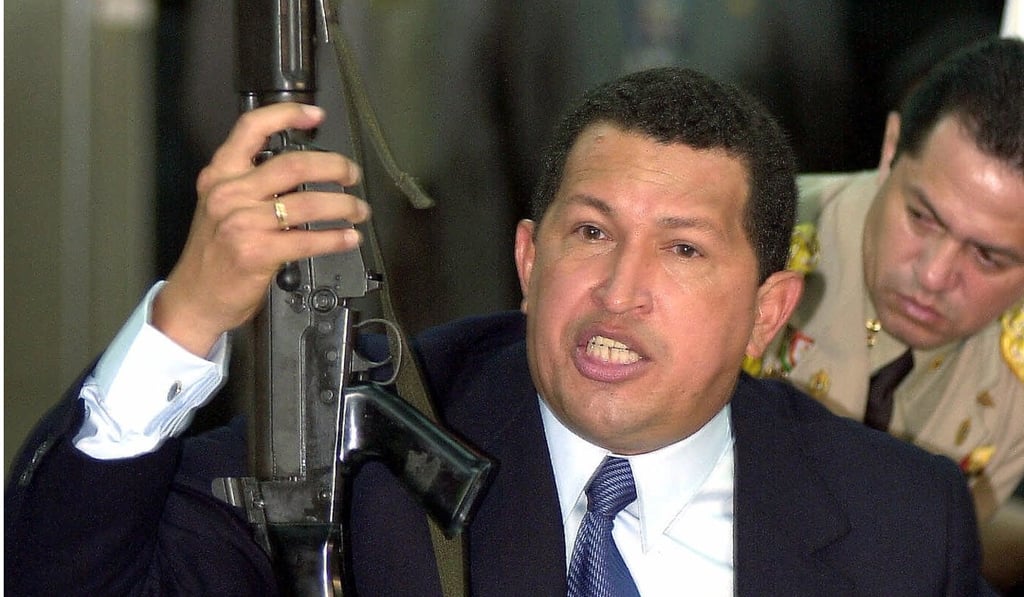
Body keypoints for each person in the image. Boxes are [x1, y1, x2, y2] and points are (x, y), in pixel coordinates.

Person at [6, 67, 993, 595]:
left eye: (683, 251)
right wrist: (186, 318)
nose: (618, 289)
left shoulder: (898, 523)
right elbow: (65, 578)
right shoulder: (368, 463)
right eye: (590, 232)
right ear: (528, 260)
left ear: (767, 311)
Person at [754, 37, 1024, 590]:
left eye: (988, 256)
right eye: (922, 217)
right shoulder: (750, 246)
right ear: (890, 147)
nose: (932, 275)